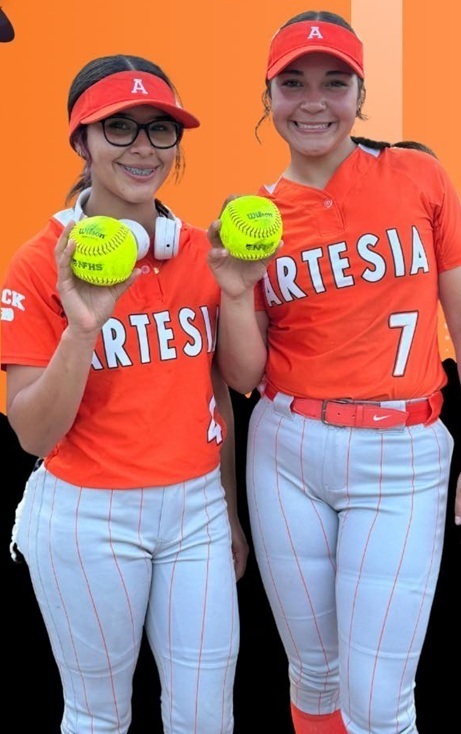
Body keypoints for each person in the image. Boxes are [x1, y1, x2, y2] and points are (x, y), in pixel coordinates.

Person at [207, 10, 461, 734]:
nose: (312, 100)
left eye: (333, 82)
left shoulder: (418, 175)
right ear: (267, 97)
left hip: (403, 454)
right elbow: (245, 375)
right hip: (288, 451)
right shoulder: (253, 215)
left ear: (359, 92)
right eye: (292, 83)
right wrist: (233, 291)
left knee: (379, 701)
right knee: (314, 674)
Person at [1, 54, 248, 734]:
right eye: (119, 127)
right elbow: (32, 434)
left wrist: (226, 508)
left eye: (159, 129)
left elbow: (218, 395)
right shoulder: (35, 263)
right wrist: (82, 329)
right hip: (86, 517)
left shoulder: (202, 251)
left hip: (194, 511)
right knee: (99, 717)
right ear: (81, 141)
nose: (142, 147)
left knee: (205, 717)